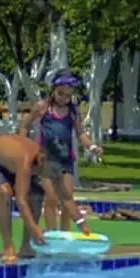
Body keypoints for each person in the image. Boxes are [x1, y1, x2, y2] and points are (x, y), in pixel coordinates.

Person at [22, 70, 99, 235]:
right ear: (53, 90)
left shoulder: (73, 112)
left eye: (67, 95)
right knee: (51, 197)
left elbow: (80, 133)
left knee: (67, 198)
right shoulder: (43, 108)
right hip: (46, 160)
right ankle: (51, 232)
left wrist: (91, 146)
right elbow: (24, 125)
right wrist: (24, 145)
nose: (64, 98)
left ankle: (65, 233)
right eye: (60, 94)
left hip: (65, 160)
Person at [0, 132, 49, 265]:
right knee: (4, 192)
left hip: (8, 162)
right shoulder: (26, 160)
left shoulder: (43, 160)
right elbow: (21, 199)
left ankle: (27, 247)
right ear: (41, 160)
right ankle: (8, 247)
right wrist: (34, 228)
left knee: (37, 194)